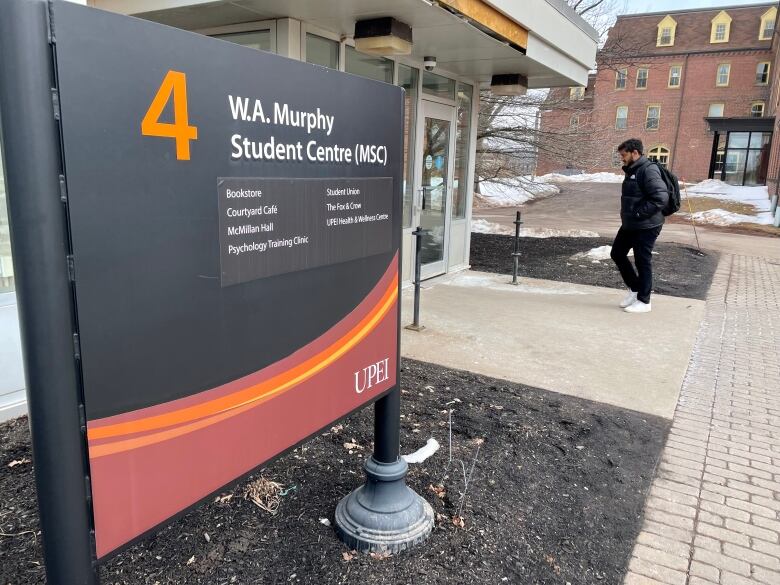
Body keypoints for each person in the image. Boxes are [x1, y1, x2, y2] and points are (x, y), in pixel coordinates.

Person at [611, 138, 669, 314]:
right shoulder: (632, 170)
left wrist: (638, 213)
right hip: (632, 224)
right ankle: (635, 289)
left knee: (643, 260)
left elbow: (660, 197)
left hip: (647, 225)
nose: (622, 158)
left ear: (634, 152)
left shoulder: (648, 170)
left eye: (624, 155)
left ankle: (644, 301)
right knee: (617, 253)